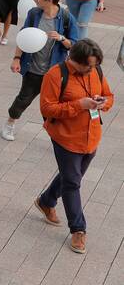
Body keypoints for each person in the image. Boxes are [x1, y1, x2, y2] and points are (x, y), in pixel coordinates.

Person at [35, 39, 114, 255]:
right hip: (65, 138)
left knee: (72, 176)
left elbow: (109, 96)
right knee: (72, 182)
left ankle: (46, 201)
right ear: (75, 60)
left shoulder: (96, 71)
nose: (92, 69)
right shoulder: (55, 74)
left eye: (95, 65)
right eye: (88, 65)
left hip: (91, 137)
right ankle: (78, 229)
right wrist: (79, 105)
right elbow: (47, 108)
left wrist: (102, 103)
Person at [2, 0, 78, 141]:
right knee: (24, 99)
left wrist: (61, 38)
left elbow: (75, 44)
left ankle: (56, 134)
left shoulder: (65, 17)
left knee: (52, 105)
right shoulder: (34, 14)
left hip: (54, 72)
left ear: (49, 0)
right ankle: (10, 123)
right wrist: (16, 59)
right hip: (33, 68)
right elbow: (24, 37)